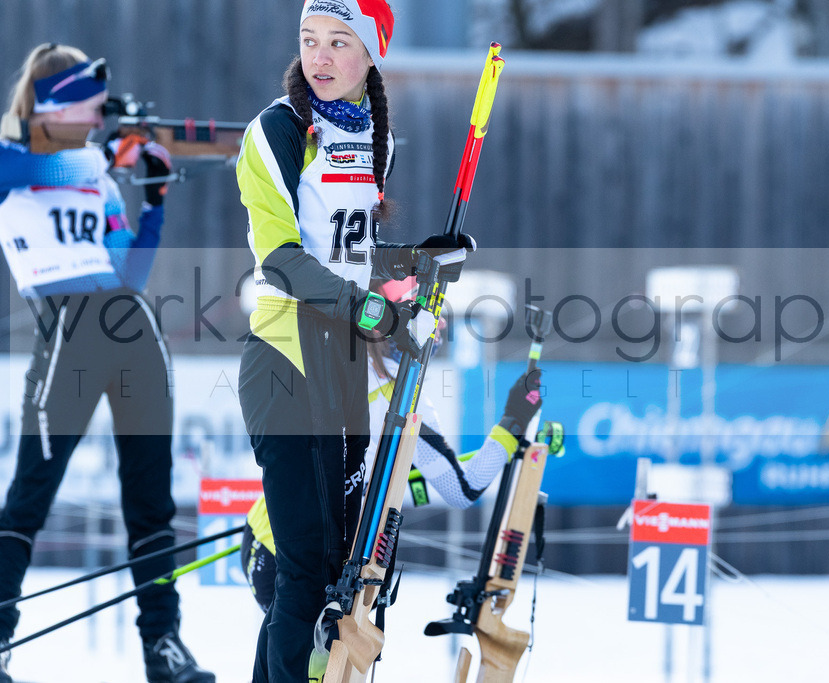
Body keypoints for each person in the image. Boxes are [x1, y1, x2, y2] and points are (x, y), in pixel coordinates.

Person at [234, 2, 474, 681]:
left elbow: (355, 257)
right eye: (311, 40)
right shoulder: (277, 131)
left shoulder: (378, 141)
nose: (321, 57)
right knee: (305, 564)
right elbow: (283, 258)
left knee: (343, 563)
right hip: (285, 356)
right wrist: (378, 315)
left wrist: (422, 267)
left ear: (371, 55)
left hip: (342, 364)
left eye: (340, 42)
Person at [0, 43, 215, 683]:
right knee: (29, 499)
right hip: (66, 328)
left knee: (151, 505)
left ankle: (164, 648)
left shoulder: (92, 175)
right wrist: (100, 160)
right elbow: (29, 169)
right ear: (55, 105)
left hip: (130, 326)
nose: (98, 121)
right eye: (89, 109)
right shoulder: (21, 159)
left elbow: (130, 272)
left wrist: (153, 202)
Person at [240, 278, 544, 614]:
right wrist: (514, 419)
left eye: (437, 318)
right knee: (308, 663)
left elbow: (376, 478)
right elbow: (462, 487)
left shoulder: (343, 359)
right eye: (427, 317)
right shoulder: (402, 400)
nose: (438, 327)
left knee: (299, 662)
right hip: (295, 551)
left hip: (271, 533)